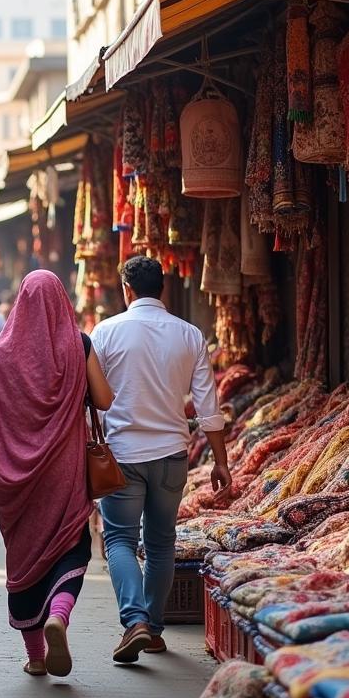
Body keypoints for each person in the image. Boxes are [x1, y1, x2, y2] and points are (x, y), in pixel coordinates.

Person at [0, 270, 113, 677]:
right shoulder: (78, 344)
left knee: (23, 556)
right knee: (72, 544)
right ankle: (59, 617)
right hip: (65, 470)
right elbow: (103, 399)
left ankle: (35, 656)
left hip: (13, 479)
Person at [91, 255, 231, 664]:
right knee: (161, 541)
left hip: (122, 455)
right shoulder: (189, 334)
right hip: (172, 454)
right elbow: (208, 406)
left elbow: (94, 405)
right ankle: (151, 629)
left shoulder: (106, 332)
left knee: (119, 538)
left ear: (127, 291)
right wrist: (220, 461)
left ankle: (134, 619)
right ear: (163, 289)